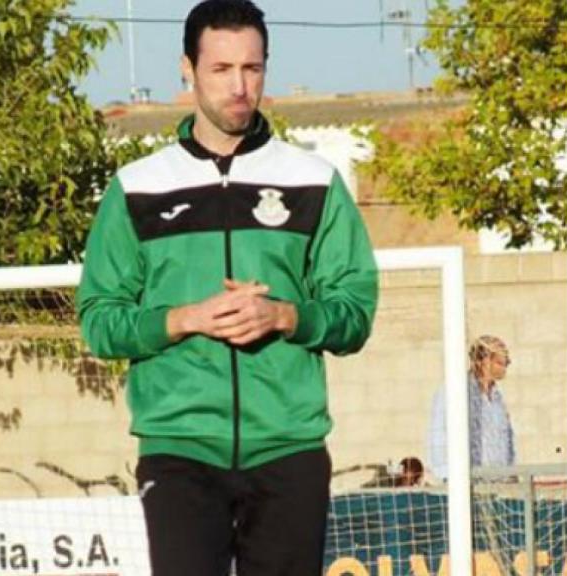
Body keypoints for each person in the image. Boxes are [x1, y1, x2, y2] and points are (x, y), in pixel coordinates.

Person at [75, 1, 379, 573]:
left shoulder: (312, 180)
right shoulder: (138, 188)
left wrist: (288, 317)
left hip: (289, 448)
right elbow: (99, 321)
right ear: (187, 69)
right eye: (221, 70)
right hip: (180, 452)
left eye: (252, 68)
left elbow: (355, 310)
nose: (239, 87)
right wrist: (183, 318)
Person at [427, 335, 515, 481]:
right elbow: (439, 434)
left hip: (498, 484)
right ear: (484, 361)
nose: (505, 367)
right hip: (466, 483)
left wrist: (511, 472)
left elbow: (508, 439)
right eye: (501, 362)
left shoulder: (498, 397)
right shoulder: (454, 391)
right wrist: (450, 477)